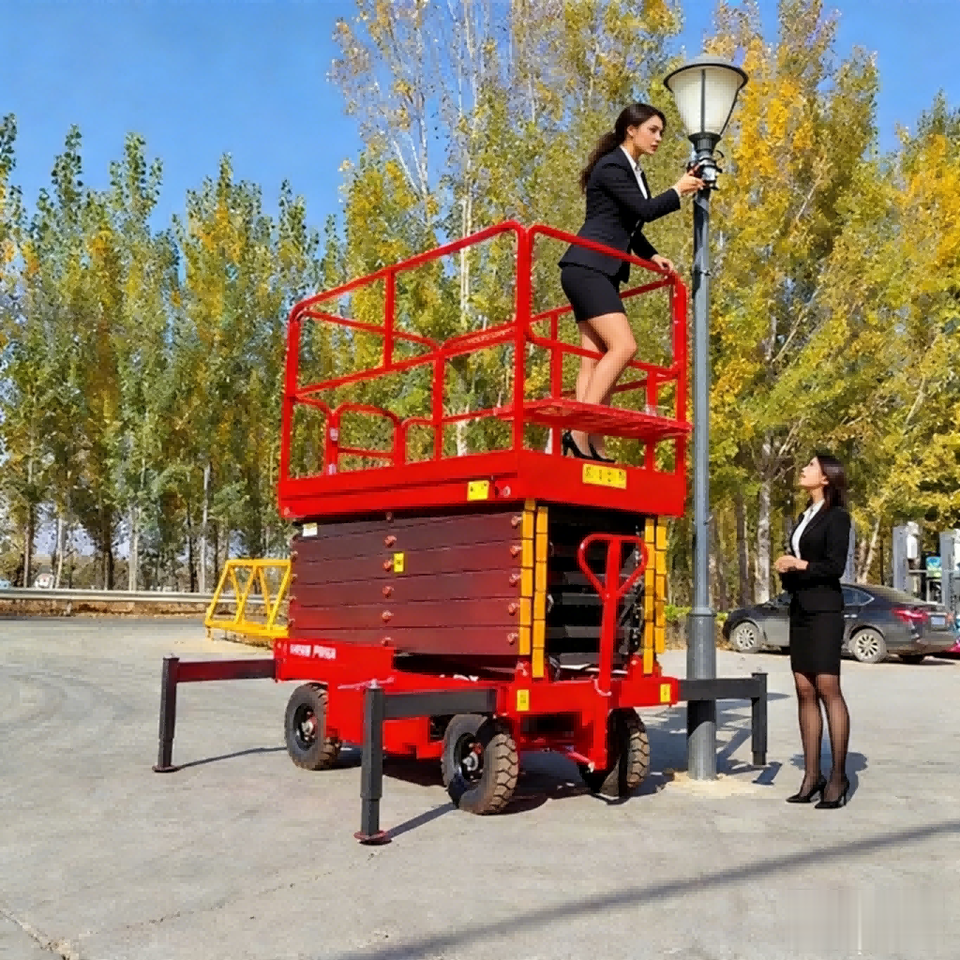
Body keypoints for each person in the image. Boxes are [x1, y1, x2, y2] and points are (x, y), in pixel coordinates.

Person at [558, 102, 704, 461]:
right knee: (624, 347)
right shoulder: (612, 166)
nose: (658, 138)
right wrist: (679, 189)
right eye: (653, 130)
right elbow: (644, 211)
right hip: (588, 266)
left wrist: (651, 255)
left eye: (661, 132)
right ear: (631, 130)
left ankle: (591, 443)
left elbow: (630, 226)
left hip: (598, 268)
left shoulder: (634, 172)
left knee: (593, 359)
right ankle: (578, 434)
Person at [774, 453, 853, 809]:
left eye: (810, 466)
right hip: (801, 609)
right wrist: (785, 568)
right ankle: (811, 776)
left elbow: (834, 567)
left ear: (825, 478)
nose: (803, 470)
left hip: (825, 610)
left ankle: (837, 777)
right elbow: (803, 565)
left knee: (827, 688)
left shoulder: (838, 517)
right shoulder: (804, 516)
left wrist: (799, 563)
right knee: (804, 689)